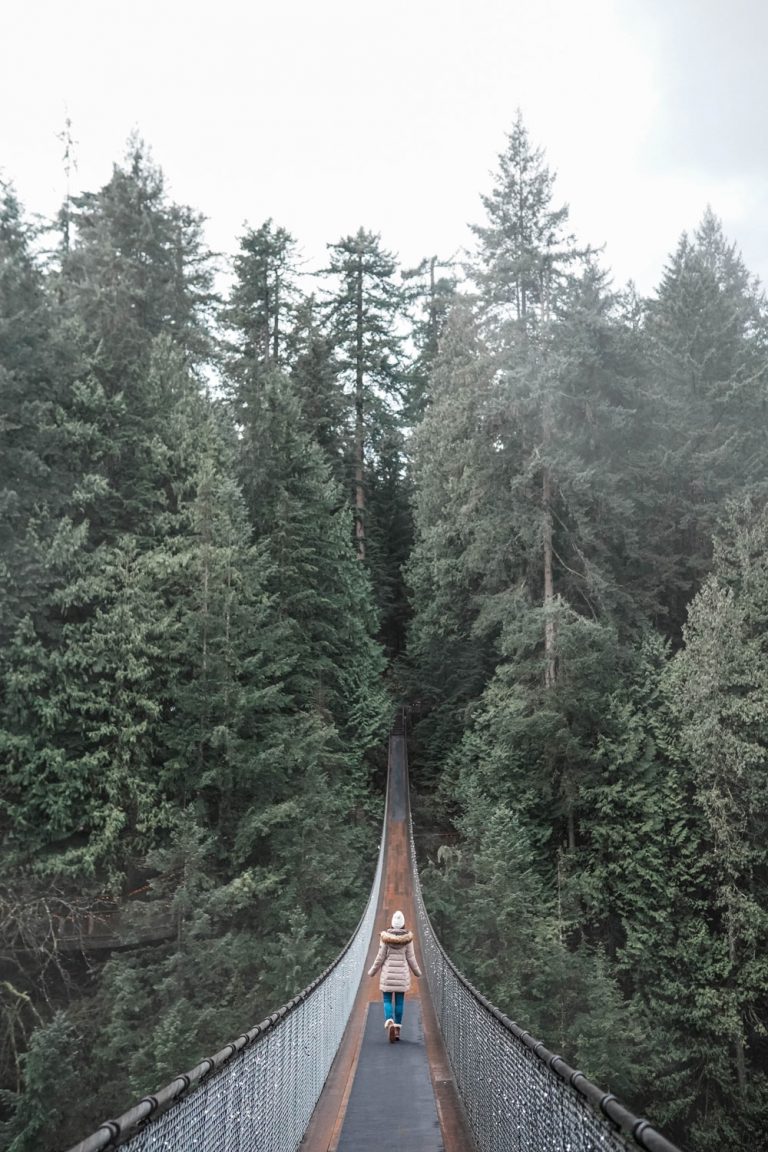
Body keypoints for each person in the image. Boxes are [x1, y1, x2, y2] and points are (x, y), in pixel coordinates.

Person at [367, 909, 422, 1042]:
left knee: (386, 1000)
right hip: (401, 976)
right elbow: (411, 958)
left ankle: (389, 1021)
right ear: (403, 924)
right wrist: (417, 972)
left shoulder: (385, 938)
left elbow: (380, 958)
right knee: (399, 1002)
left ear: (392, 924)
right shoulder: (408, 939)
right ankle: (397, 1030)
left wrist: (372, 971)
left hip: (387, 976)